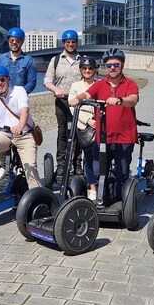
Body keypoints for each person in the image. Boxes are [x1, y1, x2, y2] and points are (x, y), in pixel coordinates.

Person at [69, 48, 138, 203]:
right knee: (99, 170)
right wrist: (77, 99)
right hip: (103, 136)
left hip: (124, 136)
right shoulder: (100, 84)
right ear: (105, 67)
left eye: (116, 64)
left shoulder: (129, 84)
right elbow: (87, 94)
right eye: (109, 65)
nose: (112, 68)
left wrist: (120, 100)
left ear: (122, 65)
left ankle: (121, 203)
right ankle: (101, 199)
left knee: (122, 172)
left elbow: (133, 99)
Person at [44, 29, 81, 179]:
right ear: (63, 43)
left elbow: (91, 78)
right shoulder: (56, 60)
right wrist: (55, 89)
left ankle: (77, 163)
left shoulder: (82, 59)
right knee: (62, 132)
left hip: (79, 102)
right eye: (67, 42)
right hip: (62, 100)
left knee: (78, 132)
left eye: (73, 42)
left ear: (76, 43)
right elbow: (47, 80)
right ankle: (61, 163)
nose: (70, 44)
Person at [67, 55, 100, 201]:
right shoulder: (75, 86)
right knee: (89, 159)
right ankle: (92, 186)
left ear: (95, 70)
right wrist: (88, 120)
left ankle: (102, 183)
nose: (87, 71)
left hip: (100, 124)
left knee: (101, 157)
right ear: (81, 70)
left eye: (90, 68)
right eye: (84, 68)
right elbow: (73, 108)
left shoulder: (100, 84)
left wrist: (98, 120)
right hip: (85, 127)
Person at [0, 27, 37, 93]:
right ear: (8, 41)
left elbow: (32, 82)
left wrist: (21, 93)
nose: (14, 43)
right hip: (2, 97)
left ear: (22, 42)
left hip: (20, 99)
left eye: (17, 41)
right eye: (11, 40)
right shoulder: (0, 59)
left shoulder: (29, 61)